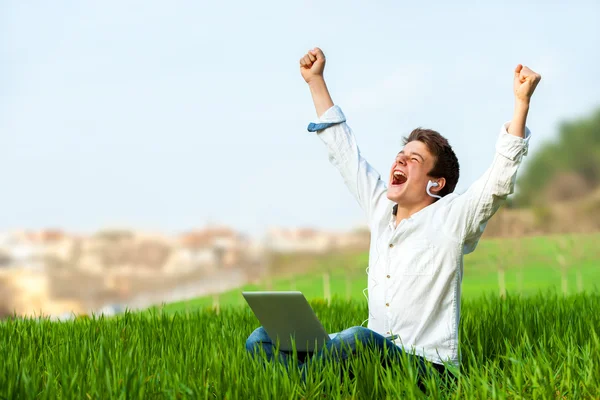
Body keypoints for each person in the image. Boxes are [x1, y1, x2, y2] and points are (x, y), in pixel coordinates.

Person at [246, 47, 541, 385]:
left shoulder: (452, 218)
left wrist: (521, 104)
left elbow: (498, 182)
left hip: (431, 372)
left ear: (436, 183)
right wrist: (316, 81)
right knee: (261, 339)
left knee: (358, 339)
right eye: (400, 155)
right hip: (376, 360)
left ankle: (309, 385)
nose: (400, 161)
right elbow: (345, 154)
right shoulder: (380, 209)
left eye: (414, 160)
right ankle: (319, 384)